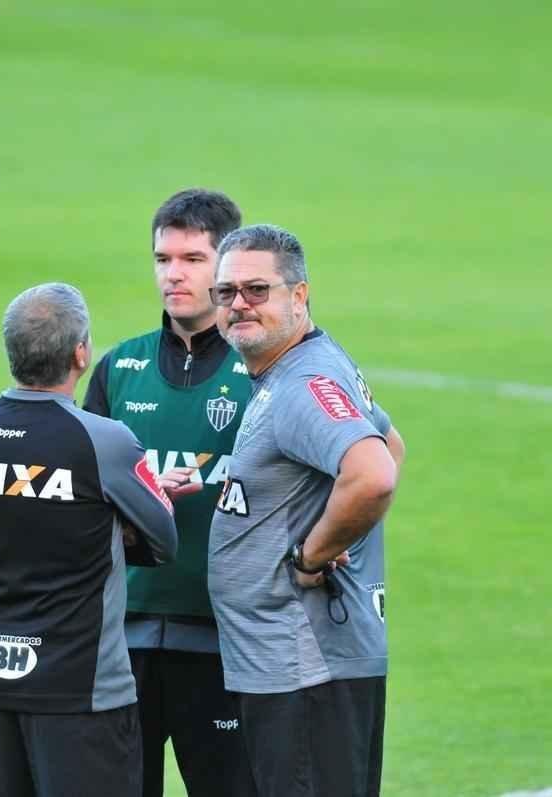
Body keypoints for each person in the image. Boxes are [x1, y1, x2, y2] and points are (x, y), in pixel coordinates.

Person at [0, 282, 197, 796]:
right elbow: (163, 542)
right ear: (81, 353)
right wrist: (141, 504)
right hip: (82, 690)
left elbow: (27, 522)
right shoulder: (104, 440)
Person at [207, 224, 406, 797]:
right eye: (226, 292)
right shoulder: (299, 366)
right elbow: (391, 442)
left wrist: (312, 555)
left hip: (305, 669)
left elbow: (374, 473)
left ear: (299, 296)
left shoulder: (302, 382)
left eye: (257, 290)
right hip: (295, 668)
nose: (239, 304)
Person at [83, 188, 257, 796]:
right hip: (124, 639)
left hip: (224, 640)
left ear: (226, 266)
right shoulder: (118, 369)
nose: (173, 275)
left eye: (192, 259)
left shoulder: (262, 371)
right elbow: (82, 500)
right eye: (163, 259)